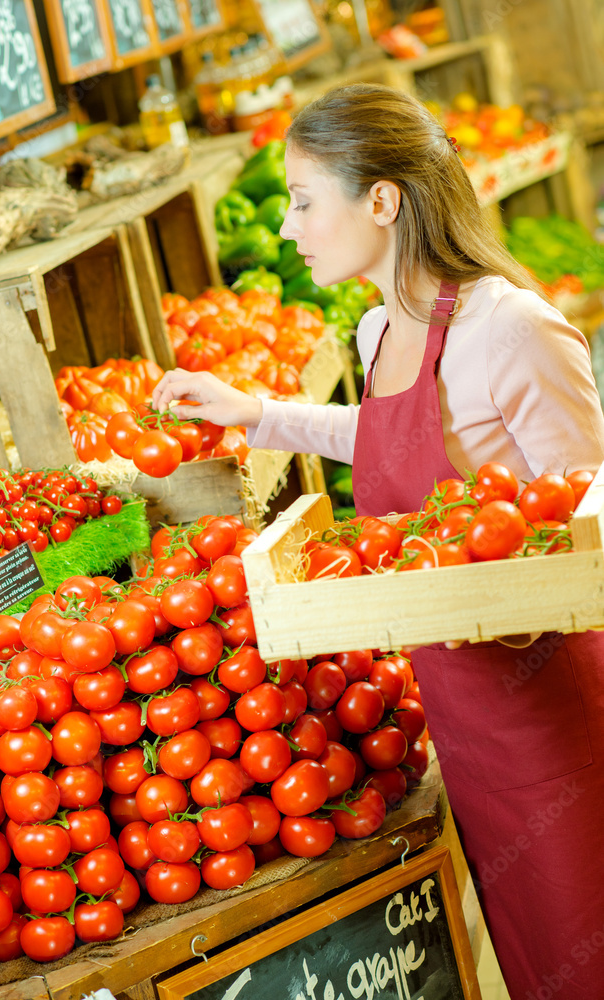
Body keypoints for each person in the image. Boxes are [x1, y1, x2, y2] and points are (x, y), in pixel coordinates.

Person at [153, 84, 604, 999]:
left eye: (304, 200)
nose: (288, 228)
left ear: (382, 201)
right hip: (462, 724)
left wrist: (509, 604)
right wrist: (259, 415)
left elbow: (590, 503)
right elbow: (379, 435)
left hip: (557, 715)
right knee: (532, 957)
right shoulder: (377, 328)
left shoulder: (509, 328)